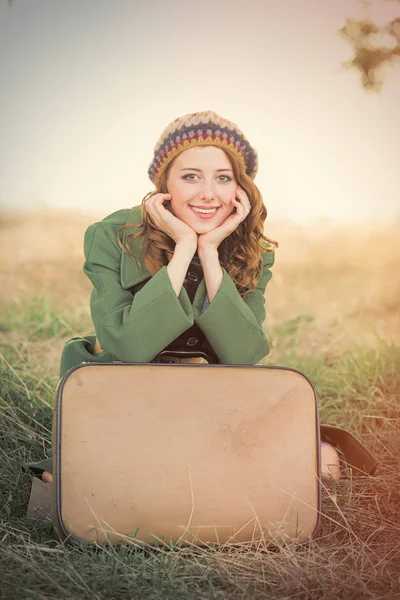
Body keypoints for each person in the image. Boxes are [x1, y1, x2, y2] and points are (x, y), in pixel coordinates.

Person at [31, 110, 341, 482]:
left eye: (223, 178)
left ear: (239, 190)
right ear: (165, 184)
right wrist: (182, 249)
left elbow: (243, 355)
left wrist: (209, 252)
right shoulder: (110, 235)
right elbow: (129, 347)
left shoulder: (254, 249)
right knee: (99, 476)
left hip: (208, 399)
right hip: (123, 393)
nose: (208, 193)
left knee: (319, 463)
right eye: (191, 176)